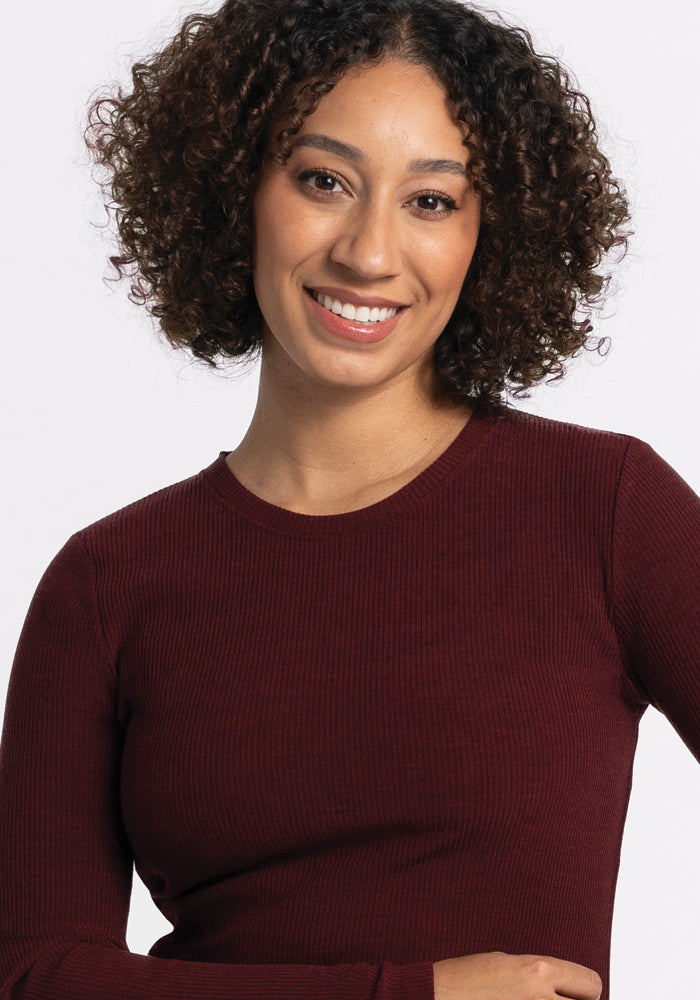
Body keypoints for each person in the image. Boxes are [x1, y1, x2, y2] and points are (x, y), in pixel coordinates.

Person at [0, 0, 697, 999]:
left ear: (488, 232)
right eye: (323, 181)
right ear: (236, 188)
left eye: (431, 200)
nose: (368, 254)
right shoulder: (109, 582)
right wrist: (407, 993)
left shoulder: (605, 511)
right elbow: (31, 973)